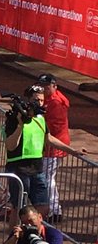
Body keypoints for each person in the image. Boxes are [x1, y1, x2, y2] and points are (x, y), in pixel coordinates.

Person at [4, 83, 84, 212]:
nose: (39, 103)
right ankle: (16, 231)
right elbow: (10, 146)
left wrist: (73, 151)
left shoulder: (41, 118)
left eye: (41, 100)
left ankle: (36, 230)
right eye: (36, 100)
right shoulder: (15, 119)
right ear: (29, 100)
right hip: (19, 168)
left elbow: (49, 138)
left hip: (37, 168)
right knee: (18, 208)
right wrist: (20, 125)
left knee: (43, 207)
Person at [38, 73, 72, 218]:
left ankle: (53, 210)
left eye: (47, 86)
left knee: (47, 178)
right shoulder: (48, 99)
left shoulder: (56, 102)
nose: (44, 89)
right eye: (42, 85)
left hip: (54, 146)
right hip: (50, 145)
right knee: (48, 178)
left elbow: (55, 128)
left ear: (54, 86)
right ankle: (54, 209)